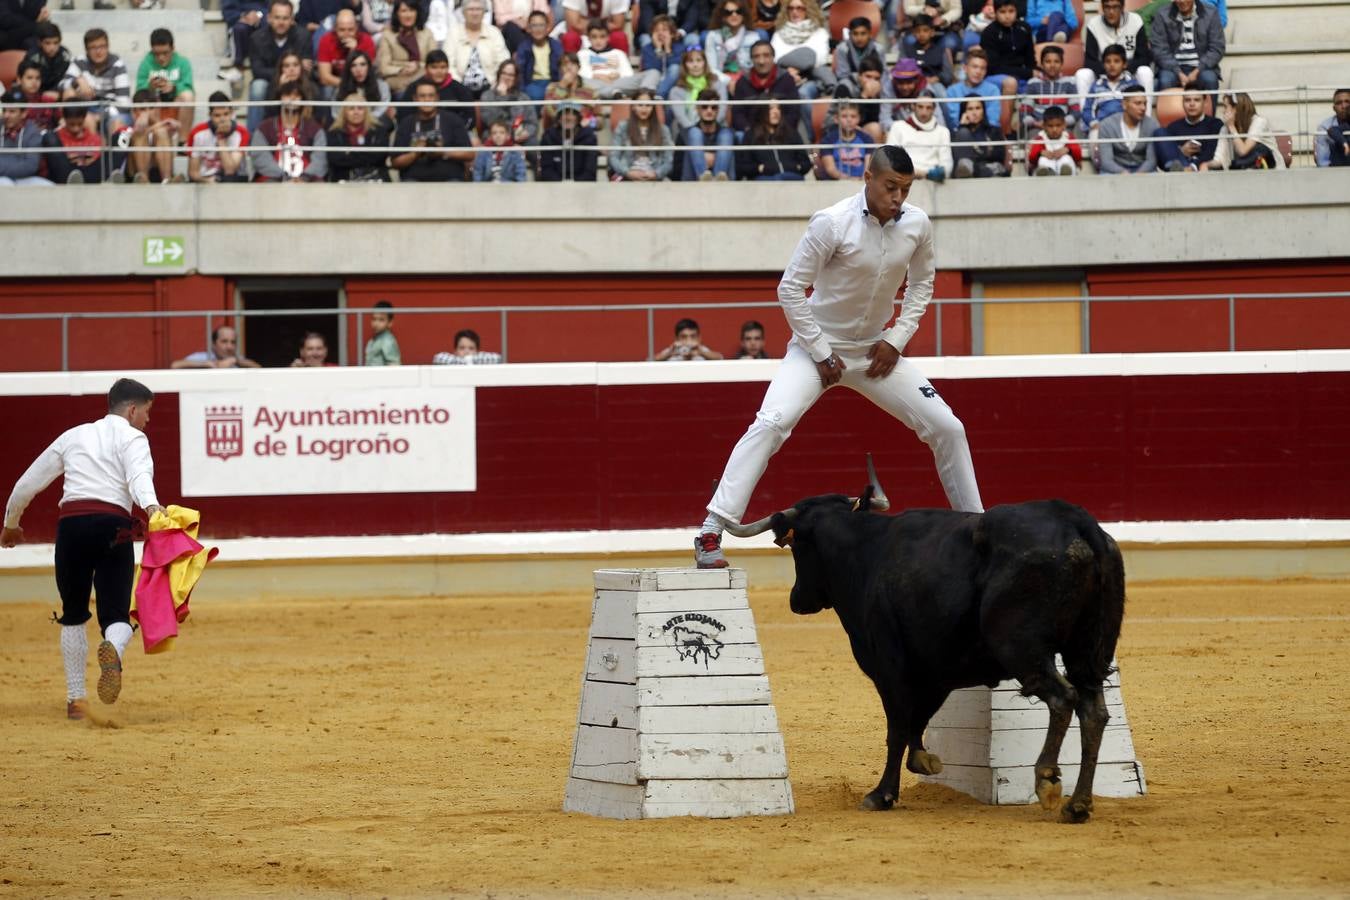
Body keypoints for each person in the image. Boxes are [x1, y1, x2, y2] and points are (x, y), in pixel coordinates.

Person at [693, 144, 983, 568]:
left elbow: (922, 286)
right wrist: (821, 351)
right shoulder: (831, 223)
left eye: (905, 189)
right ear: (867, 178)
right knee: (772, 422)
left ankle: (977, 531)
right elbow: (790, 289)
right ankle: (711, 530)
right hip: (816, 350)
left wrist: (897, 339)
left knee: (948, 427)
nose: (898, 198)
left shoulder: (918, 224)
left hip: (876, 350)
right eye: (890, 187)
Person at [2, 378, 167, 720]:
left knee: (73, 613)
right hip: (113, 526)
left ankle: (76, 699)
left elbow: (27, 483)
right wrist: (151, 507)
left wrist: (11, 524)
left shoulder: (73, 435)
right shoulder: (134, 437)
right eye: (147, 412)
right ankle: (114, 647)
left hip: (72, 526)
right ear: (132, 410)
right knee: (117, 615)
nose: (148, 420)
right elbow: (139, 477)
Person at [248, 0, 313, 134]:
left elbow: (307, 68)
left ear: (292, 19)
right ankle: (254, 140)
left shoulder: (304, 36)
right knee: (258, 87)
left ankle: (308, 136)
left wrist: (293, 74)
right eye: (277, 17)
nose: (281, 22)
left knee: (314, 87)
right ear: (269, 18)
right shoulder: (256, 38)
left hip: (298, 80)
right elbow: (257, 71)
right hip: (270, 81)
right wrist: (284, 74)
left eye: (285, 18)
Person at [391, 79, 475, 181]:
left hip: (449, 179)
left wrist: (442, 152)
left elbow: (469, 154)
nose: (427, 100)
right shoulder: (406, 123)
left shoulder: (453, 119)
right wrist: (415, 153)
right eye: (422, 96)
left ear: (437, 98)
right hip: (414, 180)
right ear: (415, 99)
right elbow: (395, 162)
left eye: (431, 96)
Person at [1075, 0, 1154, 105]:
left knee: (1145, 71)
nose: (1111, 12)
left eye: (1115, 7)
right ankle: (1086, 119)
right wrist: (1109, 72)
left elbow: (1144, 57)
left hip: (1129, 70)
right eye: (1107, 7)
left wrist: (1123, 70)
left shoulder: (1135, 20)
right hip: (1103, 72)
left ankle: (1145, 119)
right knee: (1082, 74)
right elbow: (1090, 61)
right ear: (1102, 8)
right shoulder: (1094, 24)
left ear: (1122, 7)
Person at [250, 79, 328, 181]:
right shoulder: (264, 128)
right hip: (273, 181)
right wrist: (283, 177)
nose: (292, 98)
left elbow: (320, 160)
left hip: (308, 181)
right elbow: (260, 158)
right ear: (279, 98)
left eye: (296, 95)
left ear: (302, 100)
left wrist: (304, 178)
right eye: (287, 95)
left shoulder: (315, 129)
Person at [1149, 0, 1223, 94]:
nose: (1182, 1)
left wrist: (1197, 70)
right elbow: (1159, 49)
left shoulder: (1210, 12)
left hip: (1202, 67)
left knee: (1210, 80)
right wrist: (1178, 72)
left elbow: (1217, 47)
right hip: (1171, 67)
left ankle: (1210, 109)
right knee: (1165, 80)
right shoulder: (1162, 14)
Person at [70, 28, 133, 135]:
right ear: (86, 50)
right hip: (87, 109)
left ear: (108, 47)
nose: (98, 51)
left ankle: (113, 152)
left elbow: (124, 104)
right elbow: (63, 85)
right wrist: (77, 81)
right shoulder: (80, 61)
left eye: (102, 47)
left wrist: (100, 116)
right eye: (93, 48)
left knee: (117, 123)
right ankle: (92, 151)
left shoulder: (117, 64)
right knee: (69, 92)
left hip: (113, 110)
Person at [730, 40, 800, 136]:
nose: (761, 61)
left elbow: (793, 112)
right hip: (751, 134)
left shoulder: (786, 80)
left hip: (781, 132)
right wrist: (749, 131)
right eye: (756, 56)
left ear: (773, 57)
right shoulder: (742, 82)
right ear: (751, 59)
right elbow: (737, 114)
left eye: (766, 55)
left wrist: (779, 130)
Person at [769, 0, 833, 101]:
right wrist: (788, 73)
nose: (795, 12)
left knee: (802, 93)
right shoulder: (778, 34)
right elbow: (774, 59)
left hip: (811, 78)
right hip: (784, 76)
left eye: (799, 8)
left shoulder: (819, 32)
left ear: (808, 10)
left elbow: (819, 58)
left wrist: (795, 69)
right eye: (791, 8)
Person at [445, 0, 510, 98]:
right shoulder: (454, 33)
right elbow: (448, 63)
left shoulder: (494, 32)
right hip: (459, 86)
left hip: (490, 85)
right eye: (471, 9)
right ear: (463, 12)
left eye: (478, 9)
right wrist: (458, 85)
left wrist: (495, 83)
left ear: (484, 12)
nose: (475, 13)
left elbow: (503, 61)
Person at [578, 19, 658, 99]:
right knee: (583, 83)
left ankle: (645, 96)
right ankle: (613, 93)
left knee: (653, 72)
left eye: (602, 36)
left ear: (608, 38)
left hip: (617, 82)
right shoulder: (582, 54)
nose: (598, 41)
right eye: (594, 37)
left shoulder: (619, 53)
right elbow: (582, 74)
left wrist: (618, 75)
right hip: (595, 83)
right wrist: (596, 76)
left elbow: (628, 74)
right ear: (588, 38)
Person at [609, 88, 674, 181]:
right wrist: (628, 172)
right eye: (640, 105)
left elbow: (668, 161)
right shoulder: (623, 127)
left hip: (654, 176)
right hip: (627, 175)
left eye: (648, 105)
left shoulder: (663, 129)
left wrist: (656, 174)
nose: (644, 109)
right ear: (633, 107)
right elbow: (613, 157)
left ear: (653, 107)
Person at [137, 29, 195, 130]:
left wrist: (173, 88)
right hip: (154, 105)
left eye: (165, 53)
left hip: (175, 103)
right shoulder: (145, 63)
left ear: (173, 49)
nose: (161, 58)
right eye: (157, 54)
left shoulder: (183, 62)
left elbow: (188, 86)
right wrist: (149, 87)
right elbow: (138, 91)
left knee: (188, 97)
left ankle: (182, 143)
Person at [738, 100, 811, 180]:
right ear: (762, 111)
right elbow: (744, 166)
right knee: (777, 180)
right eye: (771, 108)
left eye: (778, 108)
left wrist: (797, 167)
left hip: (791, 176)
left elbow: (806, 162)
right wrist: (761, 168)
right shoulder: (751, 135)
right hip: (763, 179)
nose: (776, 112)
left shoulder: (792, 133)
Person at [1210, 91, 1283, 171]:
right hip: (1242, 173)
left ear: (1236, 108)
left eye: (1225, 107)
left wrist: (1232, 127)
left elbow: (1243, 151)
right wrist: (1207, 165)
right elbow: (1219, 158)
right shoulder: (1225, 129)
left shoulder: (1259, 122)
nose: (1223, 111)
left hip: (1270, 172)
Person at [887, 90, 951, 183]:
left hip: (933, 182)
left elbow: (947, 166)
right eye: (920, 107)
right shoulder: (898, 127)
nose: (924, 112)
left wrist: (938, 173)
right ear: (913, 106)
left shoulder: (943, 132)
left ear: (933, 109)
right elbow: (890, 161)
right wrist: (924, 174)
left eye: (928, 108)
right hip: (902, 180)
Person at [979, 0, 1035, 104]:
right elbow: (994, 68)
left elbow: (1030, 60)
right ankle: (1006, 119)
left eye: (1011, 11)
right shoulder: (988, 33)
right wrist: (1029, 73)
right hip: (996, 75)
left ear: (1016, 11)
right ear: (996, 13)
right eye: (1003, 12)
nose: (1007, 16)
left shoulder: (1024, 28)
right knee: (1011, 82)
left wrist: (1035, 73)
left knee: (1041, 81)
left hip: (1021, 74)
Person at [326, 92, 391, 180]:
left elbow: (379, 157)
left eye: (360, 108)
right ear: (344, 112)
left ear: (366, 111)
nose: (356, 112)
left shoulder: (379, 130)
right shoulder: (334, 132)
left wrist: (349, 154)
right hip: (343, 181)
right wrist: (366, 153)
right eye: (351, 109)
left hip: (376, 179)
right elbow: (335, 160)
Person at [1154, 86, 1220, 172]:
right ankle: (1180, 169)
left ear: (1205, 102)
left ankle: (1183, 169)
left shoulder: (1215, 124)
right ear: (1182, 103)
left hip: (1201, 168)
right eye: (1187, 100)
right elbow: (1162, 158)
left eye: (1197, 100)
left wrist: (1193, 167)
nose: (1192, 104)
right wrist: (1181, 151)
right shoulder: (1173, 127)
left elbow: (1212, 153)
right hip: (1179, 164)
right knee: (1159, 132)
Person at [188, 92, 250, 183]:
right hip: (206, 179)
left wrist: (221, 138)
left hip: (234, 179)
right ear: (210, 115)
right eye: (217, 115)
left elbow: (230, 170)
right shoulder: (197, 133)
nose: (222, 119)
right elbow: (193, 173)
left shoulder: (242, 133)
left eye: (226, 114)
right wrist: (207, 181)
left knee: (229, 179)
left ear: (232, 113)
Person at [377, 0, 436, 95]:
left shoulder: (426, 33)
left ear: (417, 12)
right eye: (404, 11)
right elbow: (384, 68)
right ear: (397, 14)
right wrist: (401, 69)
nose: (408, 15)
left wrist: (417, 65)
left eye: (412, 10)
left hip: (422, 77)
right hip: (399, 81)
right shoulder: (388, 35)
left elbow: (434, 62)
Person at [316, 9, 378, 99]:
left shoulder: (366, 40)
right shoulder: (326, 40)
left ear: (357, 27)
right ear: (335, 28)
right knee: (327, 90)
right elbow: (325, 77)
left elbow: (368, 74)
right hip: (337, 82)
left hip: (361, 83)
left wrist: (354, 51)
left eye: (351, 29)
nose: (346, 34)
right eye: (342, 30)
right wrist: (348, 85)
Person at [1096, 84, 1158, 174]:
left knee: (1154, 176)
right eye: (1138, 103)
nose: (1143, 108)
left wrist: (1140, 174)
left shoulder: (1152, 125)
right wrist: (1122, 172)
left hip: (1143, 170)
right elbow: (1106, 161)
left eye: (1145, 103)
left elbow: (1151, 160)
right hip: (1116, 170)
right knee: (1105, 176)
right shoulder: (1107, 125)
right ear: (1124, 105)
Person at [125, 88, 182, 184]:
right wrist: (160, 124)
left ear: (157, 108)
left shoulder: (164, 127)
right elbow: (134, 132)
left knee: (161, 132)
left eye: (151, 108)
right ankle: (143, 179)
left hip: (157, 171)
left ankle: (167, 179)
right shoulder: (129, 127)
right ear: (134, 112)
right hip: (135, 174)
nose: (147, 113)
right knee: (140, 134)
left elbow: (179, 127)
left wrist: (161, 125)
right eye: (143, 109)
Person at [1079, 45, 1138, 137]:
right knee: (1094, 134)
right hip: (1103, 126)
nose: (1112, 65)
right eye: (1108, 61)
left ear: (1125, 64)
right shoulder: (1097, 85)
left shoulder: (1132, 84)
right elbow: (1087, 109)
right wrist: (1094, 123)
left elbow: (1136, 107)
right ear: (1103, 64)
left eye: (1116, 61)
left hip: (1126, 125)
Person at [1021, 44, 1078, 136]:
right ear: (1042, 64)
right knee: (1033, 143)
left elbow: (1075, 112)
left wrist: (1060, 125)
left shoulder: (1069, 83)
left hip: (1063, 128)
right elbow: (1024, 113)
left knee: (1070, 142)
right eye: (1048, 61)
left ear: (1062, 63)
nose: (1052, 65)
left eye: (1056, 61)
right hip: (1038, 127)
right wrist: (1037, 124)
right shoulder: (1033, 83)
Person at [669, 47, 726, 138]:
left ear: (705, 63)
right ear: (684, 65)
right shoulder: (676, 90)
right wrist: (696, 132)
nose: (695, 65)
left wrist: (710, 127)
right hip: (688, 132)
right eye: (690, 61)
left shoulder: (717, 84)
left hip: (715, 129)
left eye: (699, 60)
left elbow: (722, 110)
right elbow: (681, 118)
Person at [479, 59, 539, 145]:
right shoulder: (487, 96)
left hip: (518, 136)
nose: (506, 78)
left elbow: (532, 123)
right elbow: (490, 121)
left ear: (515, 78)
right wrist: (502, 97)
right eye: (504, 73)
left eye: (511, 75)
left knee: (532, 143)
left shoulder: (523, 97)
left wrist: (526, 133)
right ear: (499, 75)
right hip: (496, 136)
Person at [680, 87, 734, 181]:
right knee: (694, 133)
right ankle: (703, 176)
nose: (709, 111)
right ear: (697, 108)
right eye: (704, 106)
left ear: (718, 110)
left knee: (727, 134)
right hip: (693, 182)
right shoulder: (684, 134)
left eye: (714, 107)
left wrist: (715, 159)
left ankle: (718, 178)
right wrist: (700, 158)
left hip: (724, 183)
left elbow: (740, 166)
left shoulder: (727, 134)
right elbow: (677, 168)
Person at [942, 48, 1000, 134]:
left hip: (986, 134)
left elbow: (993, 120)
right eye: (975, 67)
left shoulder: (993, 90)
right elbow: (954, 122)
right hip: (961, 133)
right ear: (965, 68)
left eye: (982, 68)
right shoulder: (953, 91)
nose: (978, 71)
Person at [0, 88, 51, 186]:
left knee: (49, 187)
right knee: (5, 184)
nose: (6, 115)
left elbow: (31, 166)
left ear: (24, 113)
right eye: (5, 110)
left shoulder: (32, 131)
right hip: (2, 179)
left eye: (12, 111)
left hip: (25, 178)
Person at [44, 104, 106, 184]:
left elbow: (98, 163)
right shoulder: (55, 138)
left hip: (90, 175)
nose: (76, 129)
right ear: (64, 119)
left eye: (80, 124)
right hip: (64, 177)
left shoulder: (95, 139)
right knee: (49, 138)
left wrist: (90, 160)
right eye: (72, 124)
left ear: (84, 119)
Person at [537, 99, 597, 180]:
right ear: (558, 118)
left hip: (583, 188)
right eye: (564, 114)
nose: (568, 118)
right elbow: (546, 169)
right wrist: (562, 186)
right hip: (554, 187)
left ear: (578, 118)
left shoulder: (589, 137)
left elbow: (590, 171)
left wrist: (574, 186)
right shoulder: (548, 137)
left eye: (572, 114)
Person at [951, 96, 1006, 177]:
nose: (974, 112)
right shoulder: (957, 133)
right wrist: (962, 126)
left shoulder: (994, 131)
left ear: (983, 111)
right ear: (964, 112)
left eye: (978, 108)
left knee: (993, 169)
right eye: (970, 109)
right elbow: (958, 161)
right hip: (966, 175)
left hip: (989, 170)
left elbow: (999, 156)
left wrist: (976, 166)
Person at [515, 10, 563, 102]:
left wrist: (559, 84)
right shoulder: (524, 47)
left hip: (553, 82)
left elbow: (561, 68)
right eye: (534, 25)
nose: (538, 29)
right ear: (529, 28)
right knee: (535, 95)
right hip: (533, 83)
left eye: (541, 25)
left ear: (547, 27)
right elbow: (520, 72)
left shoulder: (556, 46)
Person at [542, 52, 597, 131]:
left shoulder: (590, 90)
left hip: (583, 131)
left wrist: (591, 121)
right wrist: (562, 86)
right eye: (564, 64)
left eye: (573, 64)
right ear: (560, 69)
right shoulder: (551, 87)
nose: (569, 67)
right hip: (558, 130)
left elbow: (599, 119)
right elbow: (550, 112)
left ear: (579, 67)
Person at [704, 3, 756, 85]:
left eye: (738, 11)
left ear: (744, 15)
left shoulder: (753, 37)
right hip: (720, 81)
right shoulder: (713, 36)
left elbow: (755, 68)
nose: (734, 15)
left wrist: (740, 82)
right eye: (728, 12)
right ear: (722, 16)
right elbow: (711, 69)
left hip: (746, 81)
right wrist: (729, 81)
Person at [900, 14, 954, 91]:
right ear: (913, 33)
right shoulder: (907, 50)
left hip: (935, 85)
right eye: (918, 31)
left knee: (941, 92)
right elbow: (901, 72)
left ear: (932, 32)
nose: (921, 34)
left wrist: (936, 78)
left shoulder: (940, 50)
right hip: (913, 87)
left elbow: (948, 75)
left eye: (925, 30)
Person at [556, 0, 629, 55]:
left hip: (606, 34)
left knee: (619, 37)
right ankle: (570, 73)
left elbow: (618, 25)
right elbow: (573, 25)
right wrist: (603, 22)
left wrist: (583, 21)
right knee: (570, 37)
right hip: (581, 35)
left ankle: (623, 71)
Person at [818, 100, 868, 181]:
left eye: (853, 116)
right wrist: (849, 179)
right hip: (835, 183)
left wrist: (861, 181)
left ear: (859, 118)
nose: (849, 120)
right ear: (836, 119)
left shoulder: (866, 139)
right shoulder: (828, 140)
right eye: (844, 116)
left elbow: (868, 167)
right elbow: (830, 169)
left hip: (861, 182)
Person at [221, 0, 269, 84]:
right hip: (241, 21)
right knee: (239, 28)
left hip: (264, 21)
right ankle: (237, 67)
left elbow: (274, 6)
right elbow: (228, 11)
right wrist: (243, 15)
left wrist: (258, 15)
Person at [336, 49, 391, 121]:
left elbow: (381, 110)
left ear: (369, 67)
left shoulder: (382, 86)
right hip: (348, 123)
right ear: (349, 69)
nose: (358, 69)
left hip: (373, 122)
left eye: (363, 64)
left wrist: (364, 121)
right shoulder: (343, 86)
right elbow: (336, 112)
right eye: (353, 65)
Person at [171, 326, 260, 368]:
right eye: (224, 341)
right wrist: (206, 364)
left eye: (233, 342)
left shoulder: (237, 359)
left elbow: (257, 368)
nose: (229, 346)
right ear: (213, 344)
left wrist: (236, 361)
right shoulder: (203, 357)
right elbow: (175, 365)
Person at [1026, 104, 1079, 174]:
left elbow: (1078, 155)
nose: (1054, 129)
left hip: (1064, 164)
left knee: (1066, 158)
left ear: (1064, 125)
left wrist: (1068, 150)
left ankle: (1066, 173)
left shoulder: (1068, 137)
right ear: (1044, 126)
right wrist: (1040, 153)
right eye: (1050, 126)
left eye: (1058, 125)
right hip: (1049, 163)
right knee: (1043, 160)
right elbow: (1032, 158)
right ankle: (1046, 174)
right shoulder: (1040, 138)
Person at [652, 318, 725, 361]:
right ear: (676, 338)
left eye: (693, 336)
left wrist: (702, 353)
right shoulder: (673, 351)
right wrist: (669, 354)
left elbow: (720, 357)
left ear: (699, 338)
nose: (688, 340)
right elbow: (651, 360)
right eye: (684, 337)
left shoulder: (701, 350)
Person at [1315, 88, 1350, 168]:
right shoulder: (1324, 127)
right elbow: (1323, 162)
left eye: (1347, 101)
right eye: (1339, 103)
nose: (1344, 106)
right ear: (1334, 108)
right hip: (1335, 171)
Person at [433, 328, 503, 364]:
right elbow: (438, 358)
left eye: (471, 348)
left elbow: (497, 358)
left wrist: (468, 360)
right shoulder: (451, 360)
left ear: (477, 351)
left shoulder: (479, 358)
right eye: (462, 348)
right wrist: (468, 361)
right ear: (455, 351)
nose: (466, 351)